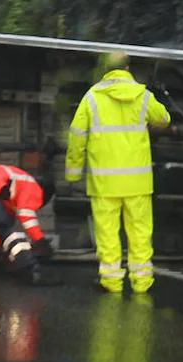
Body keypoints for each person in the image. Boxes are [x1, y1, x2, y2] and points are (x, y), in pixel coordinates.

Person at [65, 52, 171, 293]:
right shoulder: (142, 96)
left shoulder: (92, 97)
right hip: (137, 182)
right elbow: (164, 119)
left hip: (104, 183)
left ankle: (111, 282)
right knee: (140, 233)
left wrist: (73, 174)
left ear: (104, 69)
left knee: (107, 234)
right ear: (128, 67)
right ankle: (142, 283)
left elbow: (76, 135)